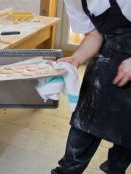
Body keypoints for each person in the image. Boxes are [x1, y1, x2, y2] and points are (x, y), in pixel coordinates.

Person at [51, 0, 131, 173]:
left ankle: (115, 168)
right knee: (83, 127)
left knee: (126, 139)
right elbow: (94, 35)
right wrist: (76, 59)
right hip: (107, 59)